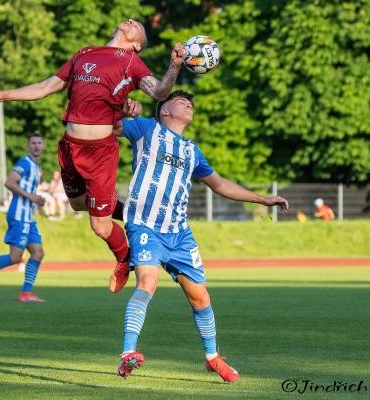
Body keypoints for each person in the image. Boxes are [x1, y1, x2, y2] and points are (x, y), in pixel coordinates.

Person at [0, 19, 185, 292]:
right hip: (70, 146)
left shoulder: (131, 61)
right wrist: (4, 95)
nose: (131, 21)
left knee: (100, 226)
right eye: (131, 20)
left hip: (99, 152)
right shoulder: (84, 53)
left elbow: (159, 92)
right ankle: (135, 214)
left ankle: (125, 257)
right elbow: (45, 87)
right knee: (77, 204)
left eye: (138, 26)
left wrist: (174, 66)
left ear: (137, 45)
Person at [111, 91, 290, 382]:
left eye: (190, 103)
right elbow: (109, 125)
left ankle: (212, 358)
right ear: (164, 111)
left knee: (200, 297)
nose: (188, 104)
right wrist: (121, 109)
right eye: (181, 101)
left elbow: (220, 184)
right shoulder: (146, 128)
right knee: (147, 282)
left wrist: (263, 199)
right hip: (145, 226)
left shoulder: (192, 151)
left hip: (180, 234)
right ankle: (128, 353)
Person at [0, 132, 46, 302]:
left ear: (43, 146)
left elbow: (28, 191)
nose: (36, 145)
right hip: (19, 215)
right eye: (33, 143)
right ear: (28, 146)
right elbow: (9, 183)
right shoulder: (25, 163)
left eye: (39, 143)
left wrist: (37, 199)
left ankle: (26, 293)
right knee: (15, 257)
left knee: (38, 253)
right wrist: (31, 197)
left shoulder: (36, 166)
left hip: (28, 217)